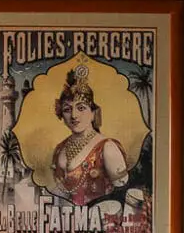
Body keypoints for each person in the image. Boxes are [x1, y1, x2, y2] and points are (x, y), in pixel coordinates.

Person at [50, 63, 128, 207]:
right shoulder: (60, 148)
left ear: (93, 113)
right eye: (67, 109)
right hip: (62, 224)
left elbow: (123, 196)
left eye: (81, 108)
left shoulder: (107, 148)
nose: (74, 115)